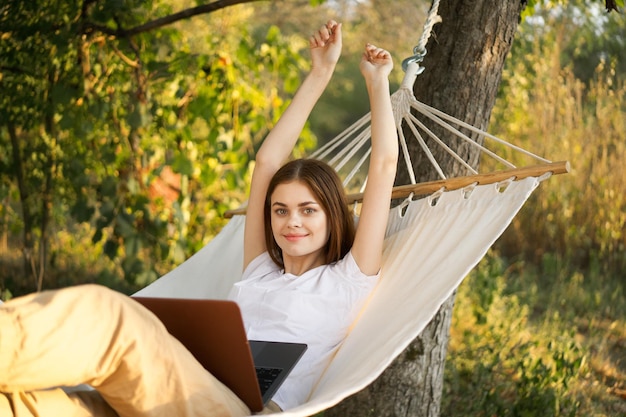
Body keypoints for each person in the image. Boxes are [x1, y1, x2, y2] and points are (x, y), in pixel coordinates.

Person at [0, 20, 397, 417]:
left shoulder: (346, 281)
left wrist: (377, 82)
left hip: (240, 410)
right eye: (281, 210)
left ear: (332, 217)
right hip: (179, 392)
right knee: (33, 407)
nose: (292, 221)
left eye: (308, 210)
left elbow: (382, 165)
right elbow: (267, 163)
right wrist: (319, 72)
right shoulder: (261, 270)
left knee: (112, 315)